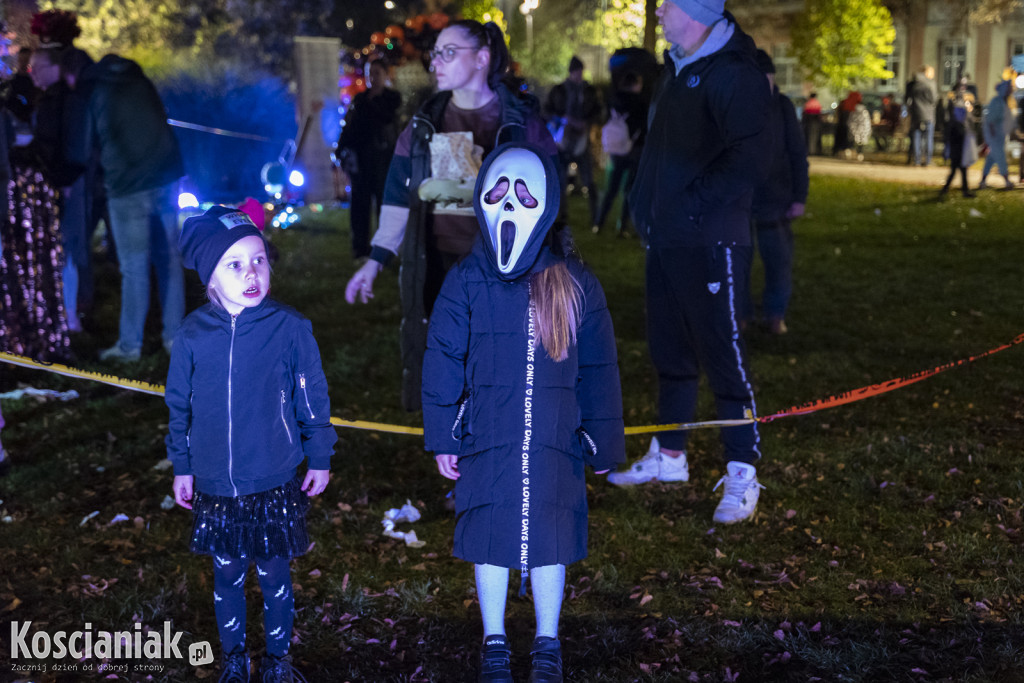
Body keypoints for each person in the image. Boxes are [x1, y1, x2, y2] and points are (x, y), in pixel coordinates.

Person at [423, 142, 624, 683]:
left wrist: (603, 440)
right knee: (489, 536)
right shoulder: (465, 281)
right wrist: (444, 431)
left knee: (550, 543)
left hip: (555, 443)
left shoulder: (575, 282)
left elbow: (599, 366)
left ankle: (546, 642)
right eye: (499, 191)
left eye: (524, 192)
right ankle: (493, 640)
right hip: (487, 439)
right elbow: (442, 356)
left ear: (548, 204)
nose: (510, 204)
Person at [610, 0, 772, 525]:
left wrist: (690, 204)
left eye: (669, 5)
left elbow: (750, 158)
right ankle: (671, 456)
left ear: (697, 11)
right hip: (667, 238)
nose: (658, 13)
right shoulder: (676, 68)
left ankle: (743, 470)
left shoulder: (733, 72)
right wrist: (644, 199)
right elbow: (667, 153)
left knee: (724, 358)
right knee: (671, 352)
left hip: (711, 241)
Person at [344, 20, 558, 412]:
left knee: (501, 357)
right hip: (440, 264)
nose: (435, 63)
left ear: (481, 58)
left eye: (448, 52)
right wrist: (375, 260)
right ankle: (454, 434)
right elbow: (396, 197)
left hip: (505, 267)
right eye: (434, 54)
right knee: (449, 353)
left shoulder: (521, 123)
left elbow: (552, 203)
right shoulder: (424, 124)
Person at [165, 205, 336, 683]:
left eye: (258, 259)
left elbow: (312, 396)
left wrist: (319, 454)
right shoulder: (193, 335)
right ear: (210, 279)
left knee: (275, 575)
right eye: (234, 265)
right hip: (217, 484)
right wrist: (183, 464)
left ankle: (278, 660)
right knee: (228, 576)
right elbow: (179, 404)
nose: (251, 273)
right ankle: (235, 658)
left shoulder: (289, 328)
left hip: (275, 479)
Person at [66, 52, 185, 362]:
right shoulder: (139, 80)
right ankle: (175, 337)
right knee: (169, 260)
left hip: (127, 186)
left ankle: (130, 346)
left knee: (134, 267)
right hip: (166, 176)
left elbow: (83, 145)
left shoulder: (94, 91)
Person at [736, 50, 808, 336]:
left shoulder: (782, 107)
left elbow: (797, 152)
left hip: (776, 201)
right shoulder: (736, 108)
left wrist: (799, 197)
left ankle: (775, 314)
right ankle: (741, 315)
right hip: (741, 201)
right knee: (739, 265)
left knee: (778, 263)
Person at [337, 59, 402, 259]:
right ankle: (360, 248)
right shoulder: (360, 99)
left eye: (376, 73)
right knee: (360, 205)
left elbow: (387, 119)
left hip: (384, 160)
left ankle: (385, 248)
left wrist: (372, 102)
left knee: (384, 206)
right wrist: (341, 149)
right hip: (362, 160)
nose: (372, 77)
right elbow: (350, 128)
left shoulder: (392, 98)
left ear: (385, 75)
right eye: (369, 73)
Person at [545, 55, 602, 228]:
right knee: (560, 181)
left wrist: (586, 122)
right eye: (576, 72)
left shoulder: (589, 90)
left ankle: (596, 217)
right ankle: (561, 217)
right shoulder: (559, 90)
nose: (579, 75)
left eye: (580, 72)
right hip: (563, 139)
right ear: (571, 72)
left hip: (582, 138)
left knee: (589, 180)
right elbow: (547, 109)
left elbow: (598, 111)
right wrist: (563, 119)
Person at [594, 70, 647, 236]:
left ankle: (598, 223)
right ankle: (622, 226)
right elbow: (644, 126)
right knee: (629, 190)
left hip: (616, 149)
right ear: (635, 84)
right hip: (634, 148)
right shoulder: (640, 103)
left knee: (612, 188)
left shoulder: (613, 100)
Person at [939, 81, 978, 199]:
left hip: (960, 136)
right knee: (958, 165)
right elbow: (955, 120)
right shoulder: (954, 103)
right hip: (957, 136)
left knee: (960, 166)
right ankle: (953, 190)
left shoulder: (961, 103)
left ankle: (952, 190)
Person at [978, 80, 1016, 191]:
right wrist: (992, 136)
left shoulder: (1005, 102)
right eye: (1010, 87)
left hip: (999, 135)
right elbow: (990, 120)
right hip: (995, 136)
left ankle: (982, 181)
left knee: (990, 159)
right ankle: (1007, 181)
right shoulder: (997, 102)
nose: (1011, 89)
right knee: (1000, 158)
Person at [905, 65, 938, 166]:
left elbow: (906, 99)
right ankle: (928, 160)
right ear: (927, 73)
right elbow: (934, 99)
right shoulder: (931, 84)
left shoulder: (913, 83)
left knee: (916, 137)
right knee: (928, 138)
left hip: (916, 114)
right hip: (928, 115)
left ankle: (917, 160)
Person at [801, 91, 822, 156]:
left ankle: (809, 150)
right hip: (816, 121)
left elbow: (804, 113)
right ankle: (814, 150)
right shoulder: (817, 103)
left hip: (808, 122)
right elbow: (819, 113)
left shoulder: (808, 103)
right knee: (815, 136)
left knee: (808, 136)